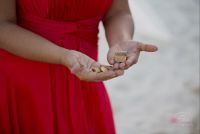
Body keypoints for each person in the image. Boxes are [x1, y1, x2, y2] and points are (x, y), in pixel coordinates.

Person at [0, 0, 158, 133]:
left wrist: (121, 40)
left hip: (85, 78)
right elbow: (3, 25)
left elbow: (118, 12)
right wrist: (63, 56)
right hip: (23, 84)